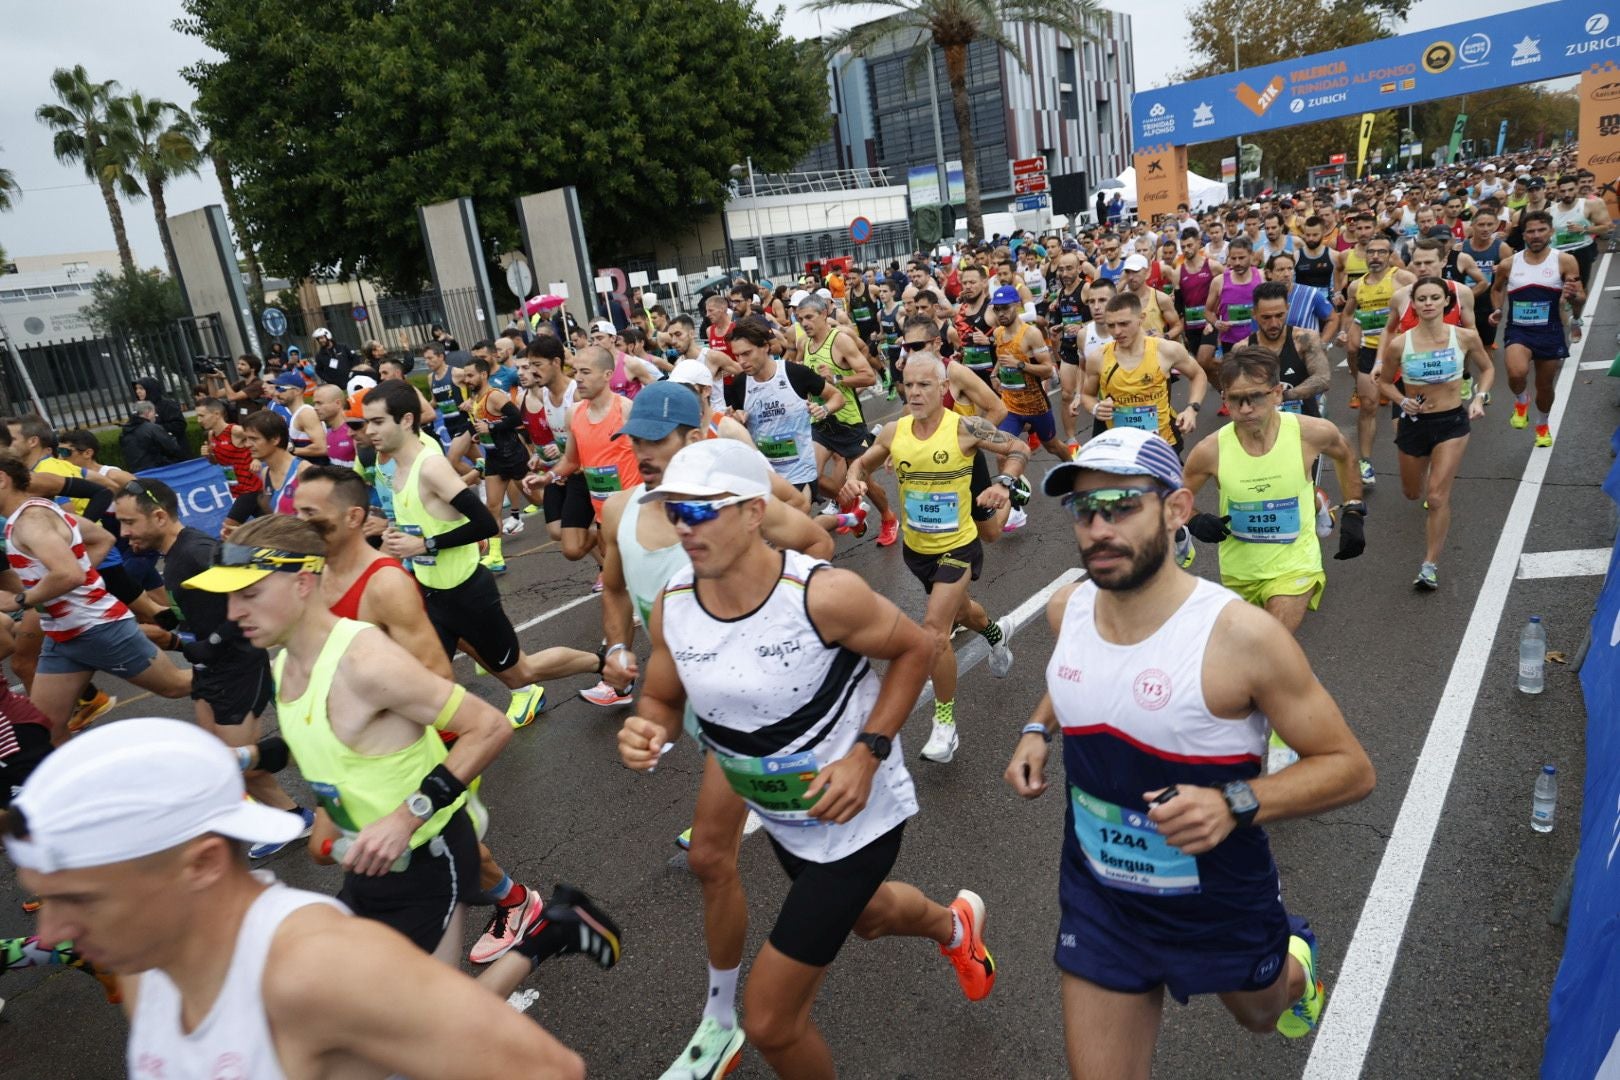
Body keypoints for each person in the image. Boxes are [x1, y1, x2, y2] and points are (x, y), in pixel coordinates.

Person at [1005, 427, 1376, 1079]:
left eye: (1122, 506)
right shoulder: (1069, 609)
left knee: (1262, 1015)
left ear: (1176, 509)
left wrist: (1235, 802)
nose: (1098, 527)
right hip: (1102, 891)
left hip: (1218, 893)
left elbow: (1351, 768)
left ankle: (1297, 960)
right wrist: (1039, 730)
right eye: (1084, 510)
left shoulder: (1240, 638)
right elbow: (1076, 674)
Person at [618, 443, 998, 1079]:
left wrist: (867, 755)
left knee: (771, 1020)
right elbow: (661, 693)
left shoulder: (821, 595)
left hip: (857, 818)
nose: (684, 525)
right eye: (674, 511)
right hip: (786, 818)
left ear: (751, 513)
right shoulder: (675, 603)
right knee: (870, 919)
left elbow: (915, 648)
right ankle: (956, 926)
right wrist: (646, 728)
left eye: (701, 510)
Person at [7, 715, 595, 1078]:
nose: (50, 934)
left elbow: (545, 1070)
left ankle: (547, 932)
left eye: (80, 900)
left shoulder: (316, 968)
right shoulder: (144, 967)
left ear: (203, 864)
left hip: (418, 855)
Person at [599, 430, 829, 1075]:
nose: (641, 452)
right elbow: (616, 590)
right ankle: (721, 1019)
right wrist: (629, 672)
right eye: (633, 440)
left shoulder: (739, 494)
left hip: (768, 719)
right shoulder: (623, 512)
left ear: (686, 436)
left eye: (654, 440)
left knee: (856, 908)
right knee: (709, 858)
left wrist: (768, 610)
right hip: (707, 707)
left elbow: (816, 544)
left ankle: (950, 925)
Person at [365, 381, 628, 725]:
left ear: (405, 420)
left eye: (377, 421)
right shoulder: (397, 467)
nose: (369, 430)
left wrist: (424, 545)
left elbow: (485, 525)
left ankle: (607, 665)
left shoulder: (429, 466)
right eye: (366, 422)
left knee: (524, 670)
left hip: (467, 595)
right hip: (432, 593)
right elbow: (427, 522)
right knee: (426, 681)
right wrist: (392, 532)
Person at [843, 352, 1025, 763]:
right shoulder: (894, 431)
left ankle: (945, 726)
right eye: (909, 384)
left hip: (958, 545)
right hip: (918, 549)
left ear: (944, 388)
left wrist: (1006, 482)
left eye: (924, 384)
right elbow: (861, 464)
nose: (915, 392)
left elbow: (1016, 447)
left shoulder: (964, 428)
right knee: (963, 613)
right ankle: (997, 635)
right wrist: (854, 478)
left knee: (934, 631)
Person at [113, 479, 311, 855]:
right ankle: (269, 812)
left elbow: (255, 581)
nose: (123, 533)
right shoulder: (173, 555)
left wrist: (216, 641)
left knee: (239, 760)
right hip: (211, 670)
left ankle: (295, 817)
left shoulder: (197, 549)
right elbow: (201, 606)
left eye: (129, 522)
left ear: (158, 516)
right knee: (217, 756)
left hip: (238, 666)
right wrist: (174, 626)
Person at [0, 454, 192, 741]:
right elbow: (102, 539)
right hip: (62, 634)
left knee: (176, 685)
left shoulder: (32, 521)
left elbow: (68, 574)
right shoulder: (36, 511)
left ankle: (248, 668)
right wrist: (75, 580)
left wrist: (20, 600)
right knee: (46, 726)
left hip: (96, 627)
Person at [1182, 344, 1365, 633]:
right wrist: (1193, 519)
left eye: (1255, 396)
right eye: (1235, 400)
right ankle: (1314, 500)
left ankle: (1312, 501)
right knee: (1252, 657)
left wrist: (1354, 510)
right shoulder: (1210, 451)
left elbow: (1345, 456)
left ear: (1277, 392)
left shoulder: (1312, 433)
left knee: (1270, 641)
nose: (1245, 409)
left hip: (1296, 565)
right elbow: (1176, 500)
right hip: (1240, 571)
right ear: (1224, 398)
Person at [1380, 277, 1496, 589]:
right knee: (1412, 493)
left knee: (1435, 497)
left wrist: (1479, 398)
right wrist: (1402, 400)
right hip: (1414, 425)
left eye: (1435, 297)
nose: (1429, 303)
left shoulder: (1464, 337)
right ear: (1414, 305)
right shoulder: (1399, 344)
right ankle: (1431, 470)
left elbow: (1487, 369)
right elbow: (1385, 382)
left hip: (1452, 423)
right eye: (1422, 299)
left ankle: (1429, 565)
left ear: (1447, 302)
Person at [723, 317, 859, 535]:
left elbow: (836, 398)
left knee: (788, 531)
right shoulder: (740, 383)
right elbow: (736, 420)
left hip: (800, 470)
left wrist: (823, 410)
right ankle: (848, 518)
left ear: (766, 347)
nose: (741, 361)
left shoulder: (795, 374)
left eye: (747, 353)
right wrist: (737, 418)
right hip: (767, 472)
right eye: (737, 355)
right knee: (790, 531)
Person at [795, 294, 899, 545]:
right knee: (811, 475)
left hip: (848, 422)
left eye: (809, 317)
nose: (805, 323)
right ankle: (849, 503)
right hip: (821, 422)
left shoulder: (840, 340)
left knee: (867, 483)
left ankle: (887, 516)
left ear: (823, 315)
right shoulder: (803, 345)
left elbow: (867, 376)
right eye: (800, 319)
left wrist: (837, 379)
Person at [1491, 209, 1584, 448]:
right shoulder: (1509, 264)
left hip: (1550, 330)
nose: (1536, 235)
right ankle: (1521, 401)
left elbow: (1579, 296)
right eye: (1530, 231)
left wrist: (1574, 297)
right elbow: (1497, 288)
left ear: (1551, 232)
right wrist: (1498, 309)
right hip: (1518, 330)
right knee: (1516, 372)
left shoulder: (1565, 261)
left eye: (1541, 230)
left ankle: (1542, 424)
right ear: (1523, 235)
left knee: (1544, 387)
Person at [1342, 236, 1414, 485]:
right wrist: (1346, 330)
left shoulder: (1402, 278)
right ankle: (1366, 462)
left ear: (1389, 255)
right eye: (1370, 252)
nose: (1374, 256)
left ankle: (1414, 458)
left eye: (1380, 252)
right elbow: (1349, 311)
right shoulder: (1356, 287)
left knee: (1407, 409)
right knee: (1368, 407)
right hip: (1370, 351)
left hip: (1401, 352)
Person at [461, 356, 530, 567]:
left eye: (471, 375)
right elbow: (482, 425)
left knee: (537, 499)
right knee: (493, 507)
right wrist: (478, 435)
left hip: (513, 456)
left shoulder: (495, 396)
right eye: (465, 376)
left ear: (483, 375)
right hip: (494, 459)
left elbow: (516, 418)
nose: (467, 380)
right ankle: (496, 556)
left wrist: (491, 428)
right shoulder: (476, 401)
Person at [1242, 282, 1331, 418]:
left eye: (1279, 315)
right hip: (1262, 425)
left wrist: (1282, 396)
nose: (1273, 324)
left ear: (1287, 309)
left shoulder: (1305, 339)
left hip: (1304, 422)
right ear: (1254, 313)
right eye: (1266, 317)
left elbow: (1323, 379)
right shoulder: (1243, 349)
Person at [197, 397, 261, 499]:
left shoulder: (235, 431)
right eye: (198, 416)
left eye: (202, 416)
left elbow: (262, 438)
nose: (199, 420)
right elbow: (216, 462)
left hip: (251, 487)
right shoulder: (211, 435)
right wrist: (208, 455)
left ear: (217, 414)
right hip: (235, 487)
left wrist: (257, 459)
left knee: (233, 516)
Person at [268, 371, 328, 462]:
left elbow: (322, 448)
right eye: (276, 388)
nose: (276, 393)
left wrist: (291, 450)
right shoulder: (298, 414)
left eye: (281, 389)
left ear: (297, 391)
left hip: (318, 472)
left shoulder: (305, 413)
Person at [117, 401, 185, 472]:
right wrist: (171, 437)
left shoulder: (124, 432)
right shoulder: (152, 428)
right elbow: (173, 448)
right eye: (154, 412)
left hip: (137, 474)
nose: (155, 416)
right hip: (158, 471)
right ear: (147, 412)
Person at [131, 377, 189, 451]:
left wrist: (156, 429)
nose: (138, 391)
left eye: (141, 388)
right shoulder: (140, 407)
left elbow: (180, 425)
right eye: (136, 388)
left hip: (174, 450)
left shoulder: (168, 404)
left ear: (150, 389)